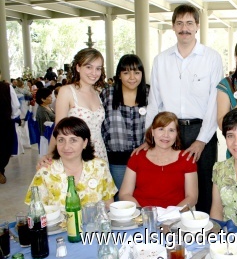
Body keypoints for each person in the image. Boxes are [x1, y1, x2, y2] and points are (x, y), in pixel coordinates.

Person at [145, 3, 223, 213]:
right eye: (179, 23)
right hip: (170, 131)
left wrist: (201, 140)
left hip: (202, 130)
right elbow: (155, 102)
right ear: (173, 27)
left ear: (197, 26)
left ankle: (205, 236)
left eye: (189, 23)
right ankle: (173, 235)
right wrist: (149, 138)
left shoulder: (211, 58)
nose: (184, 28)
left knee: (205, 186)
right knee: (173, 186)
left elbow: (214, 102)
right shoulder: (161, 60)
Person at [25, 117, 117, 207]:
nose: (66, 147)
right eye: (61, 140)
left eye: (73, 140)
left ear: (85, 143)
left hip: (94, 222)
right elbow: (36, 212)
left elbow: (109, 205)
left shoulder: (99, 167)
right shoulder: (45, 172)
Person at [39, 48, 107, 166]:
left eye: (98, 68)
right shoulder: (67, 92)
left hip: (99, 151)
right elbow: (58, 128)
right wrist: (49, 154)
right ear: (78, 67)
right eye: (88, 67)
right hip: (74, 153)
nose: (94, 73)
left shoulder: (98, 92)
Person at [120, 112, 198, 208]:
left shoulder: (187, 159)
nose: (166, 135)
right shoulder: (137, 157)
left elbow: (192, 197)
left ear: (177, 134)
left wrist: (172, 214)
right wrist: (143, 213)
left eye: (171, 130)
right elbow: (124, 194)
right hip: (141, 216)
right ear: (152, 132)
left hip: (174, 217)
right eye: (161, 129)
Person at [101, 54, 148, 196]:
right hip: (117, 161)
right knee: (120, 203)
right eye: (126, 72)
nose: (132, 77)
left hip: (145, 159)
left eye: (137, 72)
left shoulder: (149, 94)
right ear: (119, 75)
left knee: (142, 199)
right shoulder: (107, 94)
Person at [0, 80, 20, 184]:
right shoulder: (6, 87)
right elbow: (15, 105)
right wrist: (11, 116)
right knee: (4, 146)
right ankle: (0, 170)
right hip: (4, 122)